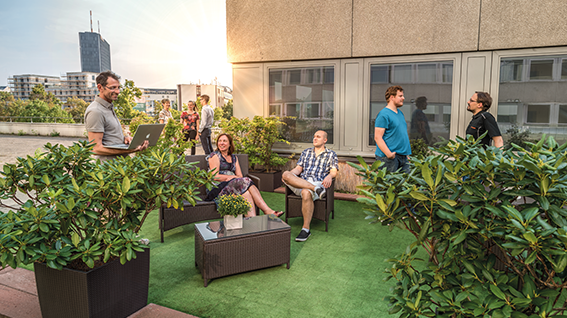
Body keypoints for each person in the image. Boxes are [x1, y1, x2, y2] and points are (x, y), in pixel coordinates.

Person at [206, 133, 283, 217]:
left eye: (224, 141)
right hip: (217, 188)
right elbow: (214, 176)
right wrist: (231, 177)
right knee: (246, 180)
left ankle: (252, 220)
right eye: (220, 141)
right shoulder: (215, 156)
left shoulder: (234, 158)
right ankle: (266, 210)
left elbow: (240, 176)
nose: (222, 143)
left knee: (246, 193)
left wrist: (234, 179)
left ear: (229, 144)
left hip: (232, 186)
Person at [281, 130, 338, 242]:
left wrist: (329, 176)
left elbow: (333, 171)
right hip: (302, 182)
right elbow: (298, 169)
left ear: (325, 140)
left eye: (318, 137)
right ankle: (315, 189)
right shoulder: (306, 152)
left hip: (318, 182)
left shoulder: (331, 154)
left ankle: (306, 229)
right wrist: (290, 175)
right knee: (285, 174)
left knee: (306, 192)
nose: (315, 138)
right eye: (314, 137)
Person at [84, 71, 148, 161]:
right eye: (112, 88)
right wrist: (130, 150)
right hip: (108, 169)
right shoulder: (96, 111)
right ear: (100, 87)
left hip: (120, 166)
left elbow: (110, 136)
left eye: (118, 88)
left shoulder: (108, 107)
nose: (117, 92)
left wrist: (125, 139)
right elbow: (96, 148)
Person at [374, 85, 412, 173]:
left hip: (403, 157)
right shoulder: (383, 114)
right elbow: (377, 137)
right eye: (400, 96)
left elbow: (402, 134)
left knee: (405, 185)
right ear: (392, 97)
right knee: (389, 185)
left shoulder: (400, 113)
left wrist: (407, 154)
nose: (403, 98)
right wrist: (389, 155)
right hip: (389, 158)